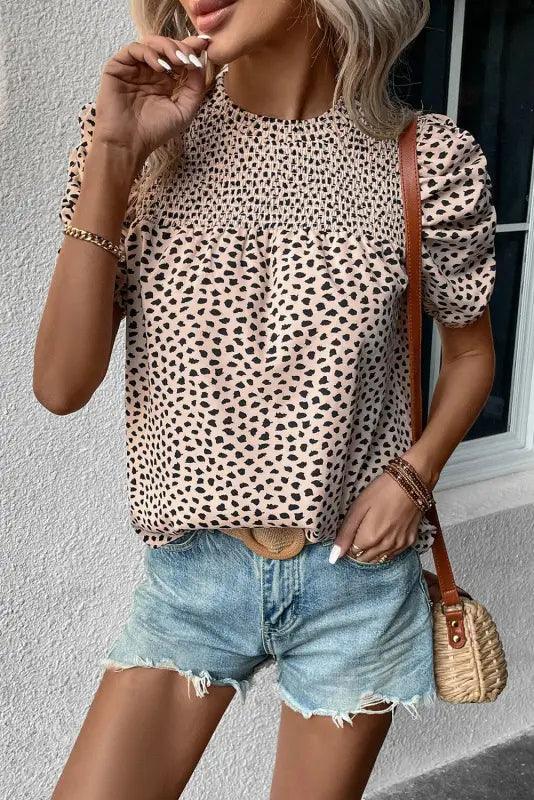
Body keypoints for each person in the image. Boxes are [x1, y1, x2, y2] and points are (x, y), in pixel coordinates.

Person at [34, 1, 497, 797]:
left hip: (356, 583)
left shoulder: (428, 159)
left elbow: (471, 354)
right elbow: (60, 386)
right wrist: (116, 154)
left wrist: (413, 476)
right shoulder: (138, 138)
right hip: (195, 579)